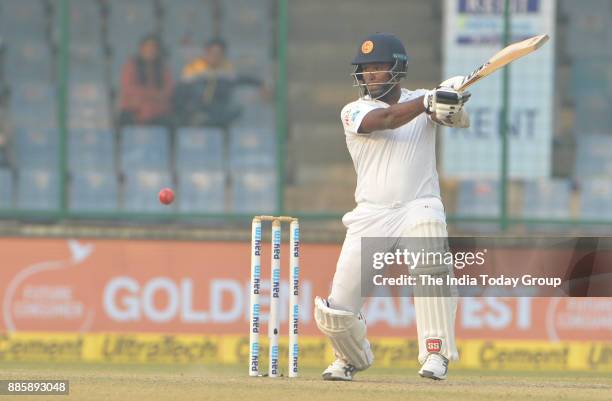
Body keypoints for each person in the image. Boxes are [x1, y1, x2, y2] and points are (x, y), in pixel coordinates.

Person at [313, 32, 471, 382]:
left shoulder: (421, 101)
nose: (371, 75)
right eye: (366, 68)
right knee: (336, 311)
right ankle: (349, 358)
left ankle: (436, 353)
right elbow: (386, 121)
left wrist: (452, 104)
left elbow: (453, 119)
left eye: (379, 67)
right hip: (372, 213)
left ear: (397, 70)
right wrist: (429, 100)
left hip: (419, 204)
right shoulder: (354, 110)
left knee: (431, 266)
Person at [173, 38, 270, 127]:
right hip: (197, 108)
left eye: (219, 53)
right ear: (206, 52)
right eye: (212, 53)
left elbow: (242, 79)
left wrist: (260, 84)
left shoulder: (226, 69)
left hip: (219, 108)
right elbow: (181, 92)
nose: (215, 56)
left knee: (236, 111)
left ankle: (207, 122)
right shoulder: (193, 68)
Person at [118, 34, 174, 126]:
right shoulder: (131, 65)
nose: (150, 50)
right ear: (141, 49)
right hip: (134, 110)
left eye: (153, 48)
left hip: (158, 111)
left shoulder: (163, 68)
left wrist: (154, 100)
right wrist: (150, 96)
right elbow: (129, 89)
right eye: (147, 47)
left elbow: (168, 90)